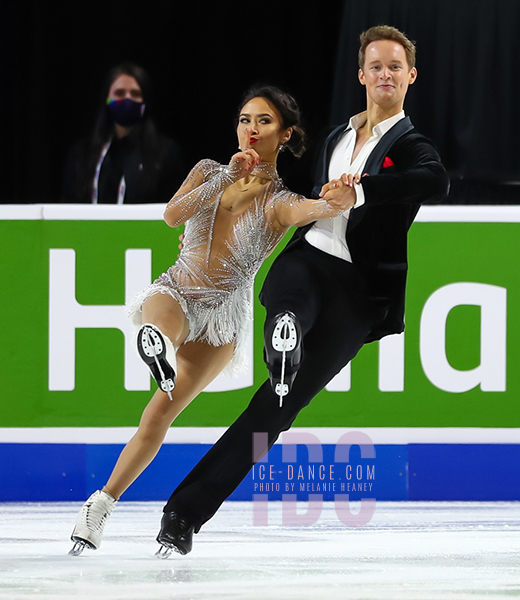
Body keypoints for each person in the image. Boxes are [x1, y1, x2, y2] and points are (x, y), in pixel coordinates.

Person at [156, 25, 450, 556]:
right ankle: (282, 338)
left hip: (360, 291)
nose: (385, 74)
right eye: (375, 66)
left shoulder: (412, 145)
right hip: (310, 259)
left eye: (395, 67)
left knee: (277, 408)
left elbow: (435, 180)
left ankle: (184, 511)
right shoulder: (339, 135)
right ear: (361, 75)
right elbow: (289, 194)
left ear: (410, 76)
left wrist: (362, 191)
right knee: (289, 296)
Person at [68, 85, 351, 556]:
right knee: (160, 324)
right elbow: (172, 217)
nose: (250, 129)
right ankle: (155, 351)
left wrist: (339, 200)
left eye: (263, 121)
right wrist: (223, 177)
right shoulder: (206, 170)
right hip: (178, 288)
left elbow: (313, 210)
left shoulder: (280, 201)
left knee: (162, 411)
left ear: (285, 134)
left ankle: (103, 500)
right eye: (244, 119)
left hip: (223, 316)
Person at [62, 63, 185, 204]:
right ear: (107, 100)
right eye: (119, 93)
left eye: (135, 94)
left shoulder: (165, 153)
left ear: (145, 101)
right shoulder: (83, 154)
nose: (127, 99)